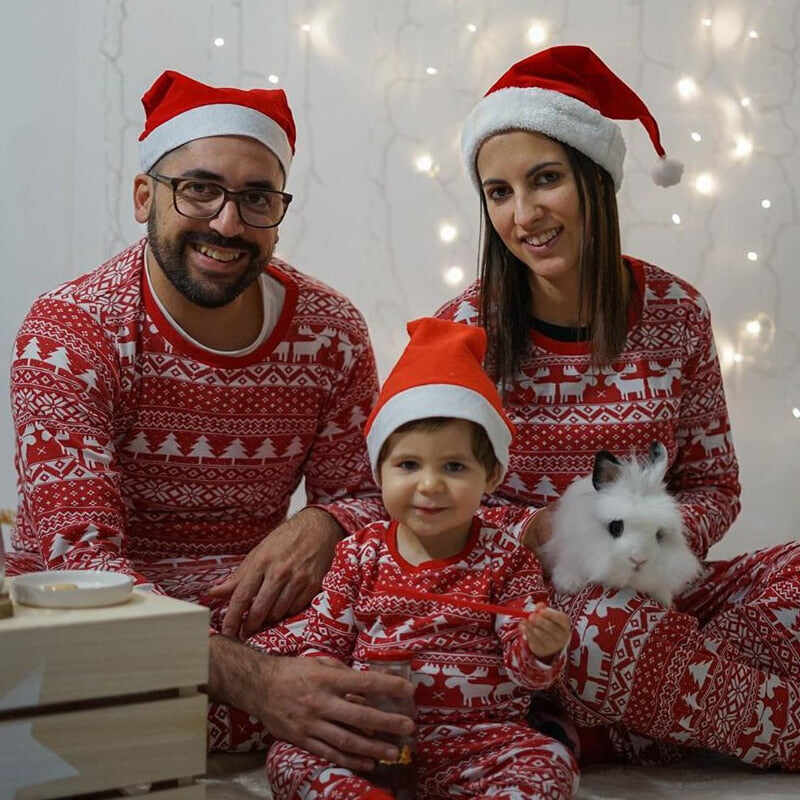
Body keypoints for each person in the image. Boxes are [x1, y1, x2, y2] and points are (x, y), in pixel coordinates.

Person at [6, 69, 415, 764]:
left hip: (259, 614)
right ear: (145, 197)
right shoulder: (69, 334)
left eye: (257, 198)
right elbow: (82, 565)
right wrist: (260, 685)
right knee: (59, 684)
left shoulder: (332, 331)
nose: (228, 222)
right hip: (95, 618)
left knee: (427, 647)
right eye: (199, 189)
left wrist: (320, 523)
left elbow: (373, 497)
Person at [435, 45, 800, 770]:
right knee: (600, 632)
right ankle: (762, 723)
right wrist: (543, 532)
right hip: (537, 607)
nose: (525, 214)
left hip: (656, 581)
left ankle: (626, 719)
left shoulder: (675, 313)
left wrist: (646, 544)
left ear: (595, 182)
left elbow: (713, 486)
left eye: (545, 180)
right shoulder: (464, 332)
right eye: (499, 192)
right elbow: (430, 502)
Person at [267, 317, 579, 799]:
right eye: (408, 465)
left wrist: (540, 645)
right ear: (379, 470)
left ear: (491, 476)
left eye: (454, 466)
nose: (429, 485)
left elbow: (525, 671)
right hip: (372, 737)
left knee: (548, 762)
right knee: (288, 756)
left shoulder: (507, 560)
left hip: (479, 742)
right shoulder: (358, 555)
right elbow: (322, 646)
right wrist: (336, 694)